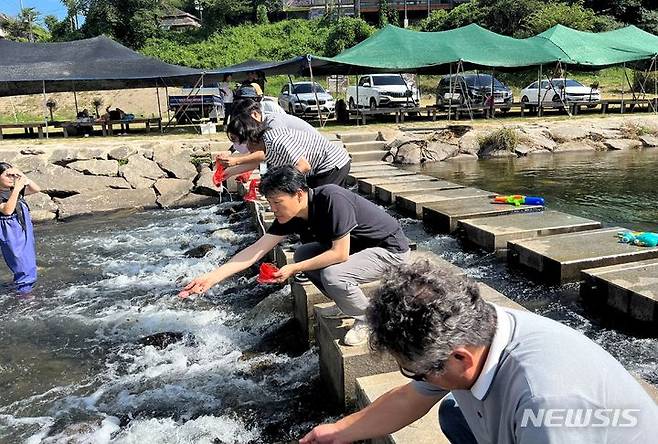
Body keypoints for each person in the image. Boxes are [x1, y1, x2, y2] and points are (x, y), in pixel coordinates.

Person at [300, 261, 658, 443]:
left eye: (416, 371)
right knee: (453, 412)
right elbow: (409, 398)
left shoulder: (548, 403)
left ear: (459, 358)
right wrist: (339, 432)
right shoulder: (475, 327)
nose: (416, 380)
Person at [180, 166, 410, 346]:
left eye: (277, 202)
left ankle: (370, 318)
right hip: (359, 250)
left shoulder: (332, 198)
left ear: (299, 194)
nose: (273, 209)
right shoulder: (290, 216)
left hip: (389, 251)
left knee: (333, 274)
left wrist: (292, 269)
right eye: (269, 203)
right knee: (303, 253)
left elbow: (339, 254)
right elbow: (255, 250)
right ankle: (346, 304)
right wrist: (210, 278)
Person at [225, 113, 351, 187]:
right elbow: (257, 161)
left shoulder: (276, 140)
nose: (237, 146)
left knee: (322, 204)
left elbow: (303, 166)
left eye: (236, 140)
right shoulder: (265, 144)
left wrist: (282, 184)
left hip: (331, 164)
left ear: (248, 136)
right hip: (319, 168)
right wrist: (227, 173)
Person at [218, 98, 319, 180]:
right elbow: (262, 157)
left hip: (317, 163)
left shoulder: (273, 126)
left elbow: (263, 155)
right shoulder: (260, 128)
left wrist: (236, 161)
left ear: (255, 114)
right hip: (306, 163)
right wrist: (229, 172)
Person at [0, 163, 40, 295]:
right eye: (8, 175)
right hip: (10, 230)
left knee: (28, 259)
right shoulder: (5, 193)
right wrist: (16, 189)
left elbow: (36, 189)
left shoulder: (12, 188)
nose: (12, 178)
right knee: (20, 261)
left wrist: (22, 176)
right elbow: (7, 210)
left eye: (13, 175)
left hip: (23, 227)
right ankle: (25, 295)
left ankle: (23, 288)